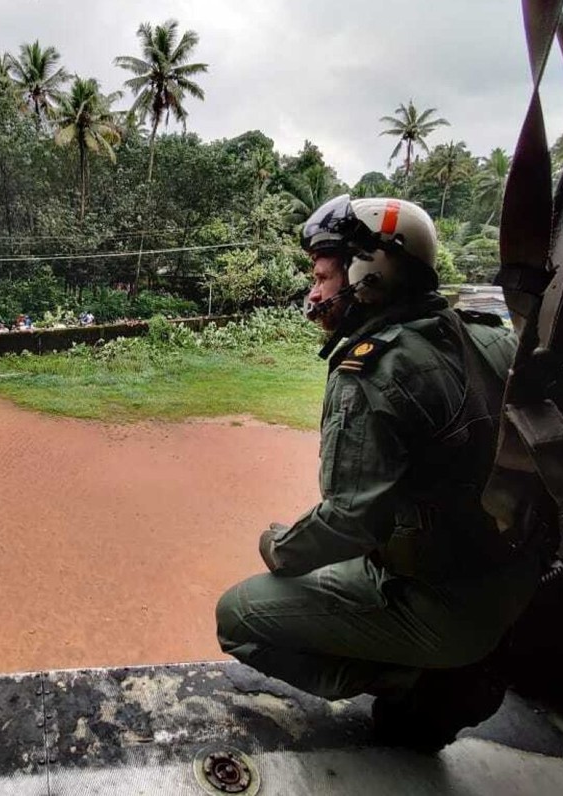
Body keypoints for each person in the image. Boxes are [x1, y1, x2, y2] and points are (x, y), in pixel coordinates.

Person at [215, 194, 538, 752]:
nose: (314, 292)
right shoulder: (490, 337)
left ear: (369, 274)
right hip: (512, 585)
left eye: (322, 277)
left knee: (238, 615)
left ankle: (418, 678)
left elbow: (348, 521)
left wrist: (278, 547)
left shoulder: (371, 371)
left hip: (443, 601)